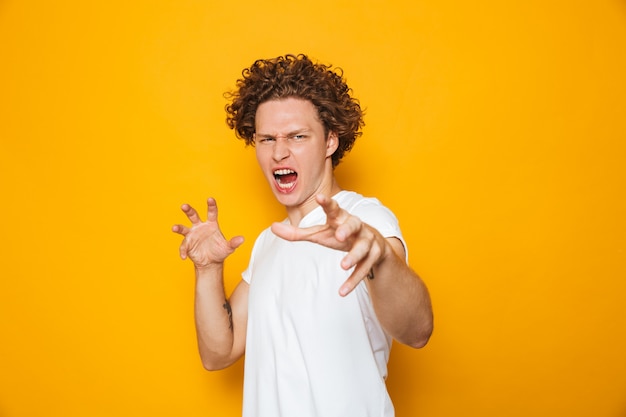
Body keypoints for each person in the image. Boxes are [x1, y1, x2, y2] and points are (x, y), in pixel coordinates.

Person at [172, 54, 433, 417]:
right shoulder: (270, 242)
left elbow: (418, 331)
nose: (279, 152)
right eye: (266, 139)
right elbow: (219, 353)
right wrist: (207, 270)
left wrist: (383, 259)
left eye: (297, 136)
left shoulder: (365, 219)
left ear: (330, 142)